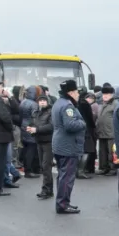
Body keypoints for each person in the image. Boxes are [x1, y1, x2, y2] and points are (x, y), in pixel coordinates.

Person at [51, 79, 86, 214]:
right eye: (77, 92)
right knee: (67, 177)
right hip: (68, 146)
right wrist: (83, 123)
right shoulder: (67, 106)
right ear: (71, 92)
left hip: (60, 144)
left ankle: (62, 201)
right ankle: (63, 204)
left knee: (62, 175)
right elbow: (70, 125)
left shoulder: (58, 102)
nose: (78, 94)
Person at [28, 92, 55, 199]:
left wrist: (37, 129)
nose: (42, 102)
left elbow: (51, 126)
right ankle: (48, 190)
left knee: (46, 166)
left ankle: (46, 190)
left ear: (47, 102)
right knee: (43, 166)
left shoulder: (51, 112)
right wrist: (31, 129)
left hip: (48, 142)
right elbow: (34, 123)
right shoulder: (36, 112)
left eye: (44, 100)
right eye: (40, 101)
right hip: (39, 141)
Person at [19, 85, 41, 177]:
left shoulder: (23, 101)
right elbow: (35, 117)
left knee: (25, 148)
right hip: (31, 127)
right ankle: (29, 170)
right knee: (31, 149)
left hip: (23, 126)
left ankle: (27, 168)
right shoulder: (34, 104)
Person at [94, 84, 117, 176]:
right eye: (104, 94)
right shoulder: (102, 104)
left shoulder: (115, 104)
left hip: (111, 132)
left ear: (112, 95)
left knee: (111, 152)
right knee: (102, 152)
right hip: (102, 132)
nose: (105, 96)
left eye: (107, 94)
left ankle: (112, 168)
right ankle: (103, 168)